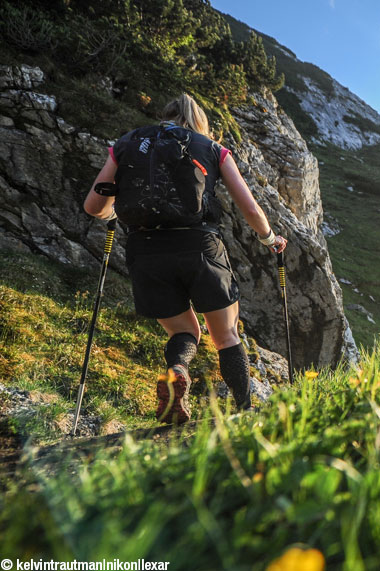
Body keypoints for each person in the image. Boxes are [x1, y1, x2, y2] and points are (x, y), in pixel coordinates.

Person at [84, 93, 287, 423]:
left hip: (145, 251)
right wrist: (270, 239)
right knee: (226, 335)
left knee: (185, 333)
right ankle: (246, 412)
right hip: (200, 247)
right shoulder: (211, 148)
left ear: (165, 114)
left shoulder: (128, 143)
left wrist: (112, 216)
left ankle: (177, 370)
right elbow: (249, 207)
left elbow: (94, 206)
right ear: (199, 123)